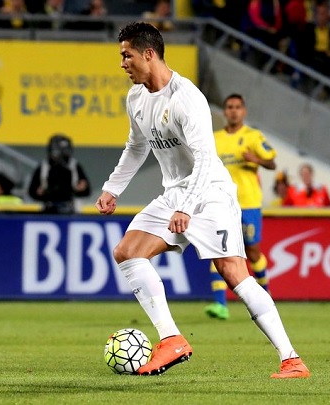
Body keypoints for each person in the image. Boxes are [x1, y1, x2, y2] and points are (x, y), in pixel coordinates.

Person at [95, 22, 309, 378]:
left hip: (210, 194)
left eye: (126, 55)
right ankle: (172, 339)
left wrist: (185, 207)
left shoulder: (187, 98)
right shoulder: (135, 98)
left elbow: (206, 160)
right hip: (176, 191)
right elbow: (136, 146)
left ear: (148, 54)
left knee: (234, 272)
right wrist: (112, 188)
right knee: (127, 252)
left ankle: (291, 359)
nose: (122, 63)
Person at [205, 94, 277, 321]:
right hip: (222, 204)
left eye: (237, 107)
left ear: (243, 111)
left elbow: (272, 163)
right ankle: (220, 304)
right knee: (219, 250)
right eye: (229, 107)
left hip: (248, 204)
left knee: (253, 251)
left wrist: (256, 160)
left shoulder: (253, 137)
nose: (233, 111)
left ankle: (265, 294)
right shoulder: (213, 139)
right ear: (224, 112)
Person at [28, 134, 91, 214]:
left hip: (71, 206)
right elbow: (32, 192)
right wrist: (41, 193)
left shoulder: (74, 166)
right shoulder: (44, 167)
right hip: (47, 207)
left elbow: (86, 190)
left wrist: (79, 189)